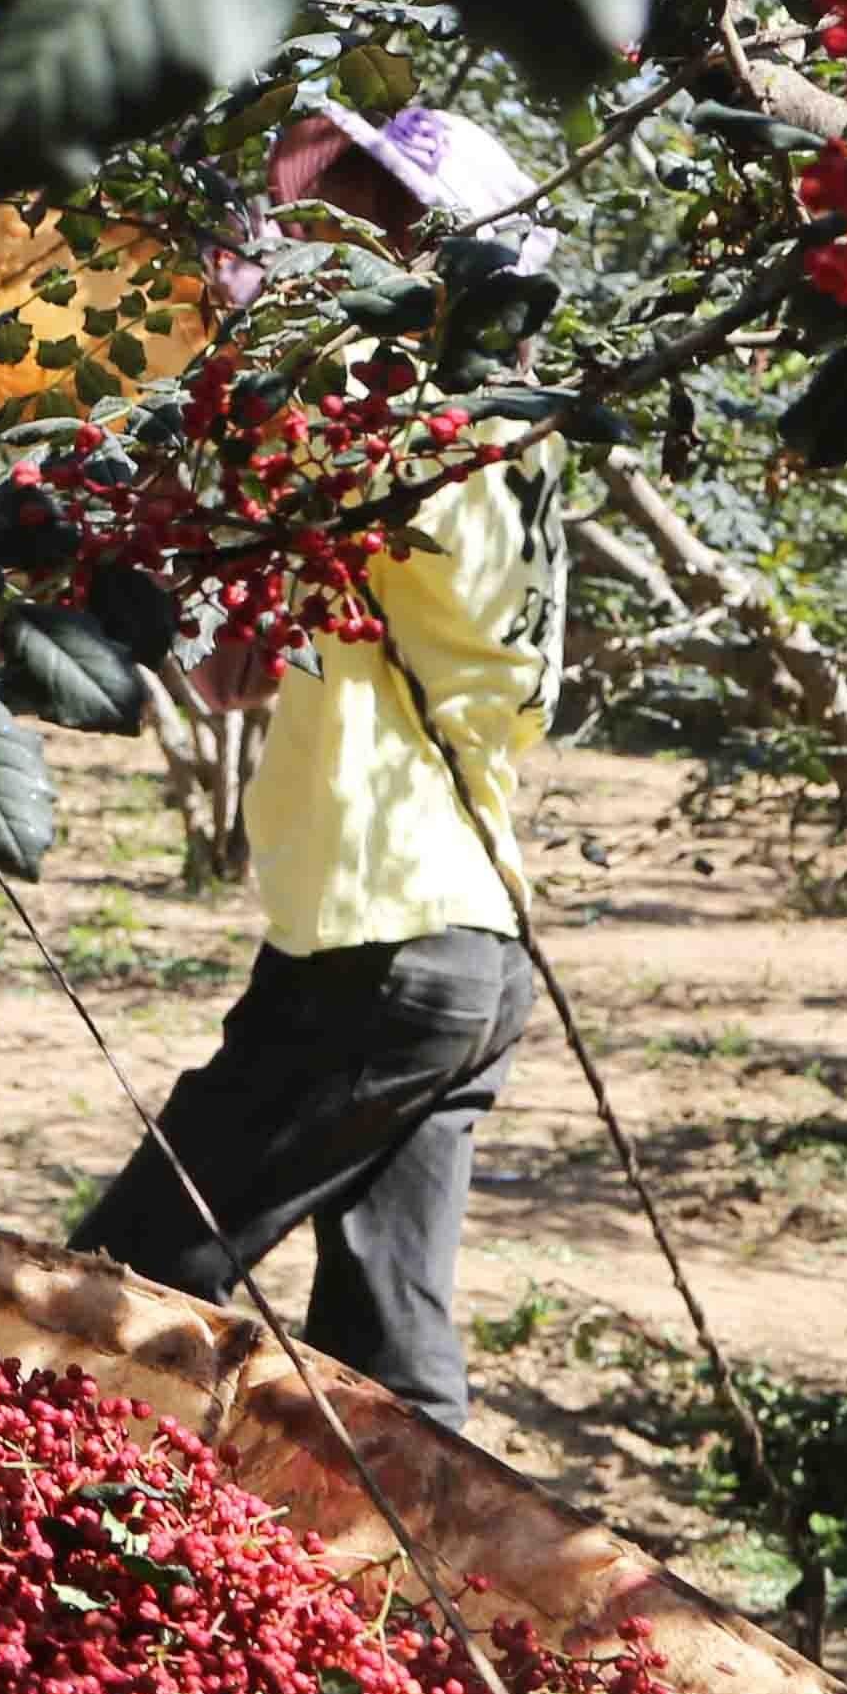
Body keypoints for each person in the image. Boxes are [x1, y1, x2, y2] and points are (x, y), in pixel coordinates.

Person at [77, 100, 573, 1434]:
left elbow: (260, 465)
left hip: (383, 944)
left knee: (127, 1279)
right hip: (468, 947)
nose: (324, 255)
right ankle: (424, 1627)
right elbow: (244, 654)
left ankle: (53, 1543)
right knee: (394, 1367)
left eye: (363, 227)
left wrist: (104, 531)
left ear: (442, 261)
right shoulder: (500, 445)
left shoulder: (413, 424)